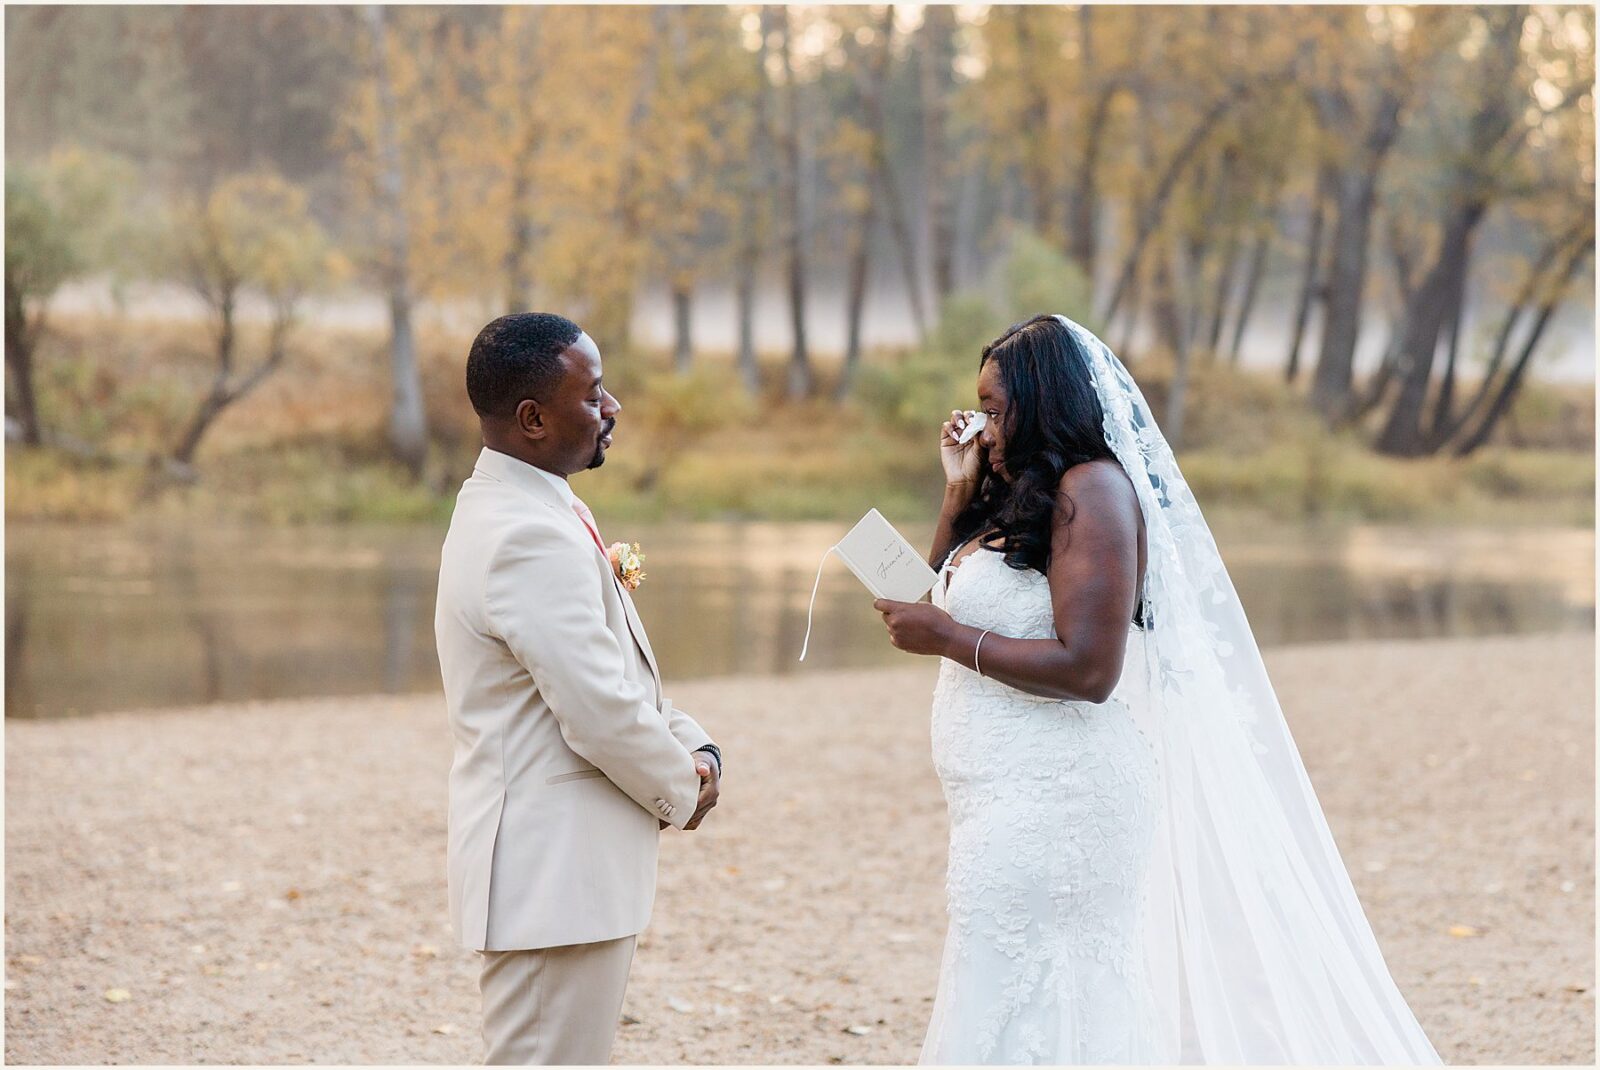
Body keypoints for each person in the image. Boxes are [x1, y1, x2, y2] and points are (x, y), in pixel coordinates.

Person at [872, 314, 1439, 1064]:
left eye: (997, 409)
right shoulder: (1020, 498)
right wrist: (956, 497)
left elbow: (1090, 668)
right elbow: (929, 600)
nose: (982, 423)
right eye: (980, 406)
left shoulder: (1096, 493)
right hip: (1002, 792)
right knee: (1007, 982)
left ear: (1045, 401)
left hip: (1064, 796)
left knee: (1045, 989)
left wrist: (948, 641)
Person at [434, 312, 723, 1065]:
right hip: (549, 880)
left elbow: (610, 670)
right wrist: (681, 787)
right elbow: (595, 709)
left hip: (564, 881)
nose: (613, 406)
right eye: (594, 394)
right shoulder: (524, 534)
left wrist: (695, 741)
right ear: (532, 418)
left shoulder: (538, 505)